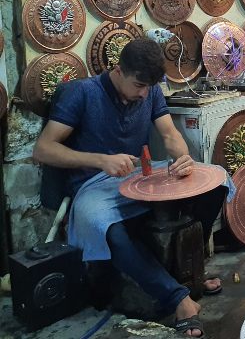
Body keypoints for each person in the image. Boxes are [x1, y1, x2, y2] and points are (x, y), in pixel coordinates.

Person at [33, 38, 231, 338]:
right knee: (106, 227)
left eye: (148, 87)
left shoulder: (149, 91)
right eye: (138, 85)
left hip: (140, 175)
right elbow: (44, 150)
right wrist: (100, 160)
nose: (142, 93)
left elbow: (169, 134)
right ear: (118, 71)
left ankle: (188, 273)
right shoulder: (82, 93)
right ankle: (177, 298)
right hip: (94, 184)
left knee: (216, 180)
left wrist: (183, 159)